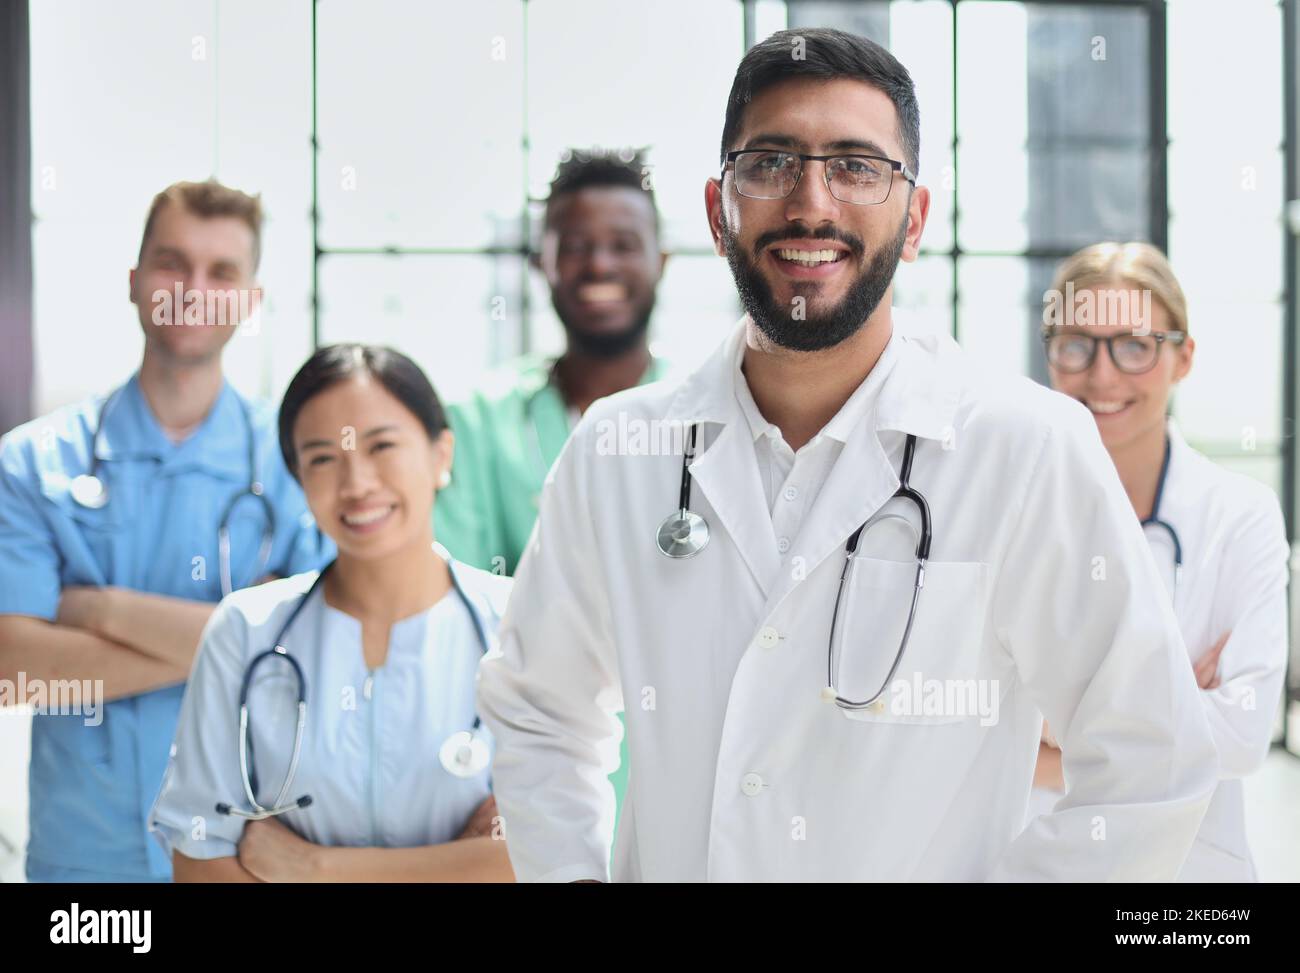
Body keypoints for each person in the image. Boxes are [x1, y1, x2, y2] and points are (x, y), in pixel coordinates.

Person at [474, 27, 1218, 882]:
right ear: (720, 212)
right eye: (772, 162)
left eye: (858, 166)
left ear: (914, 221)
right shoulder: (616, 449)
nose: (811, 203)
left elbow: (1151, 760)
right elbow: (539, 712)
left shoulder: (1026, 446)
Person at [0, 179, 330, 882]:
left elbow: (321, 657)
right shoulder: (33, 462)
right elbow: (14, 670)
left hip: (249, 858)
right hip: (86, 867)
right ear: (133, 280)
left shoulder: (297, 461)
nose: (193, 288)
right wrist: (241, 638)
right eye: (172, 262)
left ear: (250, 300)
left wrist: (102, 610)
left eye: (223, 272)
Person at [150, 344, 515, 882]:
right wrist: (452, 866)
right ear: (299, 479)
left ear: (441, 456)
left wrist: (313, 866)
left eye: (382, 446)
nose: (357, 484)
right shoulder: (246, 631)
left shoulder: (516, 625)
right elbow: (202, 862)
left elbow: (541, 858)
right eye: (322, 457)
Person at [1032, 241, 1289, 882]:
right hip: (1035, 858)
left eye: (1135, 345)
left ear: (1184, 358)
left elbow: (1241, 737)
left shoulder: (1241, 517)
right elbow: (971, 723)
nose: (1103, 376)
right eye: (1076, 344)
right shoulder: (1015, 512)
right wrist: (1169, 710)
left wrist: (1059, 727)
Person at [435, 147, 673, 829]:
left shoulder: (716, 420)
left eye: (623, 245)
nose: (599, 265)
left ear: (663, 261)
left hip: (676, 775)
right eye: (575, 246)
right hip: (509, 774)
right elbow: (461, 607)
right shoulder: (478, 421)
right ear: (542, 262)